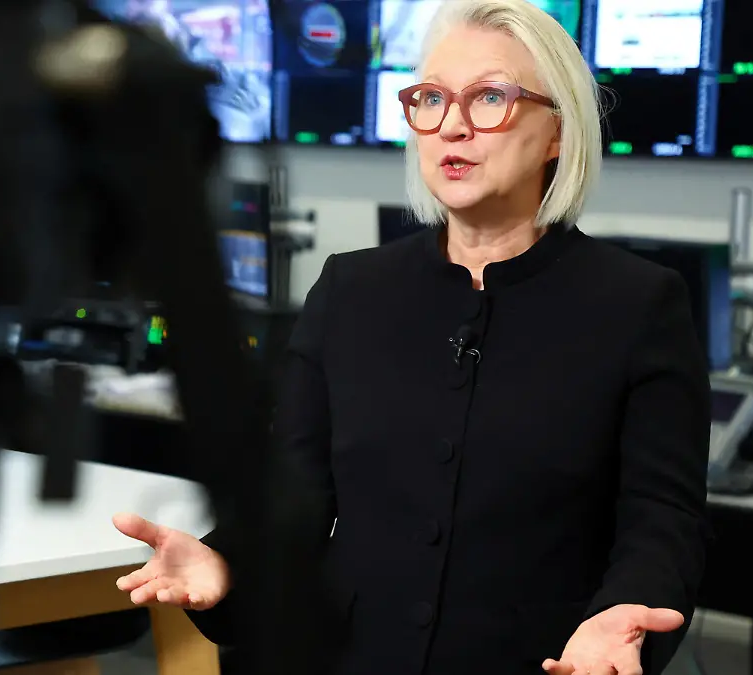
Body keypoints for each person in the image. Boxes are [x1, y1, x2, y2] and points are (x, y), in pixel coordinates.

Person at [111, 0, 711, 673]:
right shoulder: (350, 292)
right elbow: (291, 496)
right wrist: (226, 559)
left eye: (490, 98)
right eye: (430, 99)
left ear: (558, 133)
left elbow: (662, 521)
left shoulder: (639, 305)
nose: (452, 126)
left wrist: (624, 613)